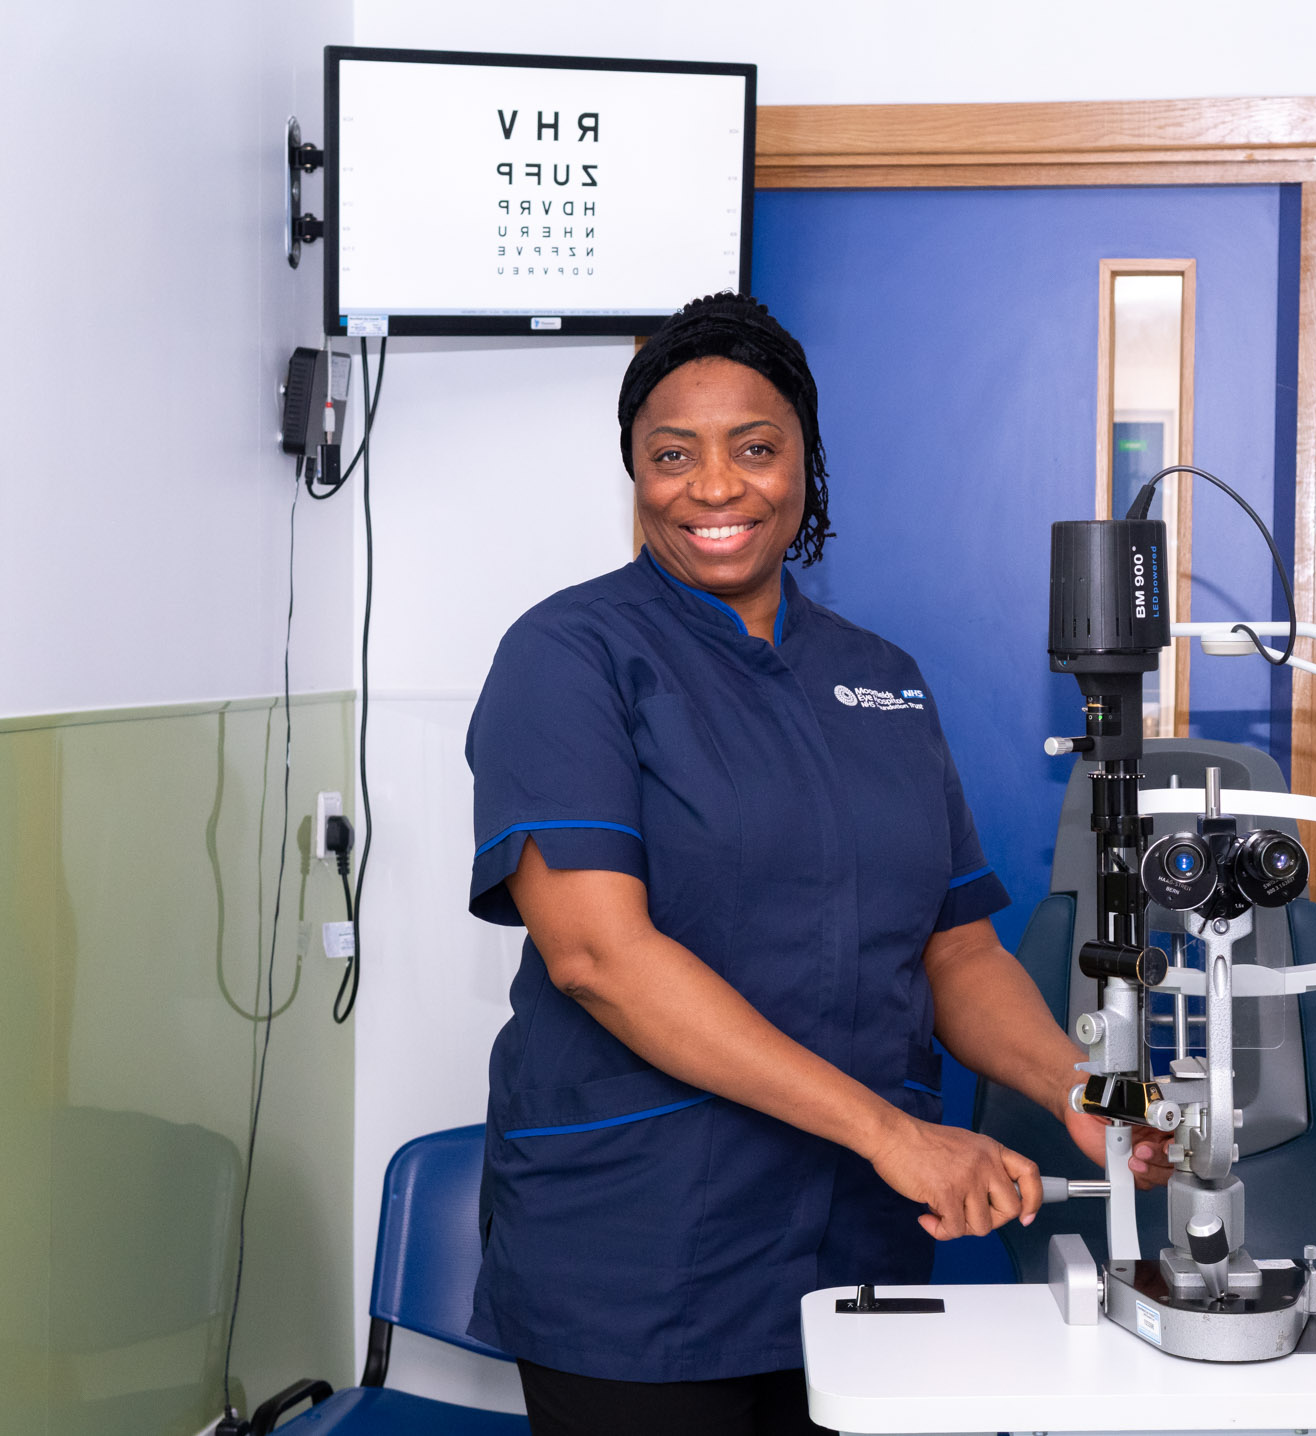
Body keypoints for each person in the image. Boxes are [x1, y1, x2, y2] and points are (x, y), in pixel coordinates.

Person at [465, 294, 1172, 1436]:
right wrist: (899, 1135)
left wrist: (1070, 1088)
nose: (714, 485)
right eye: (670, 454)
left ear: (804, 461)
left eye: (754, 446)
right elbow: (598, 954)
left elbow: (955, 947)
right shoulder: (569, 656)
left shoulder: (880, 677)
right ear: (634, 474)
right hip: (643, 1257)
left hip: (862, 1248)